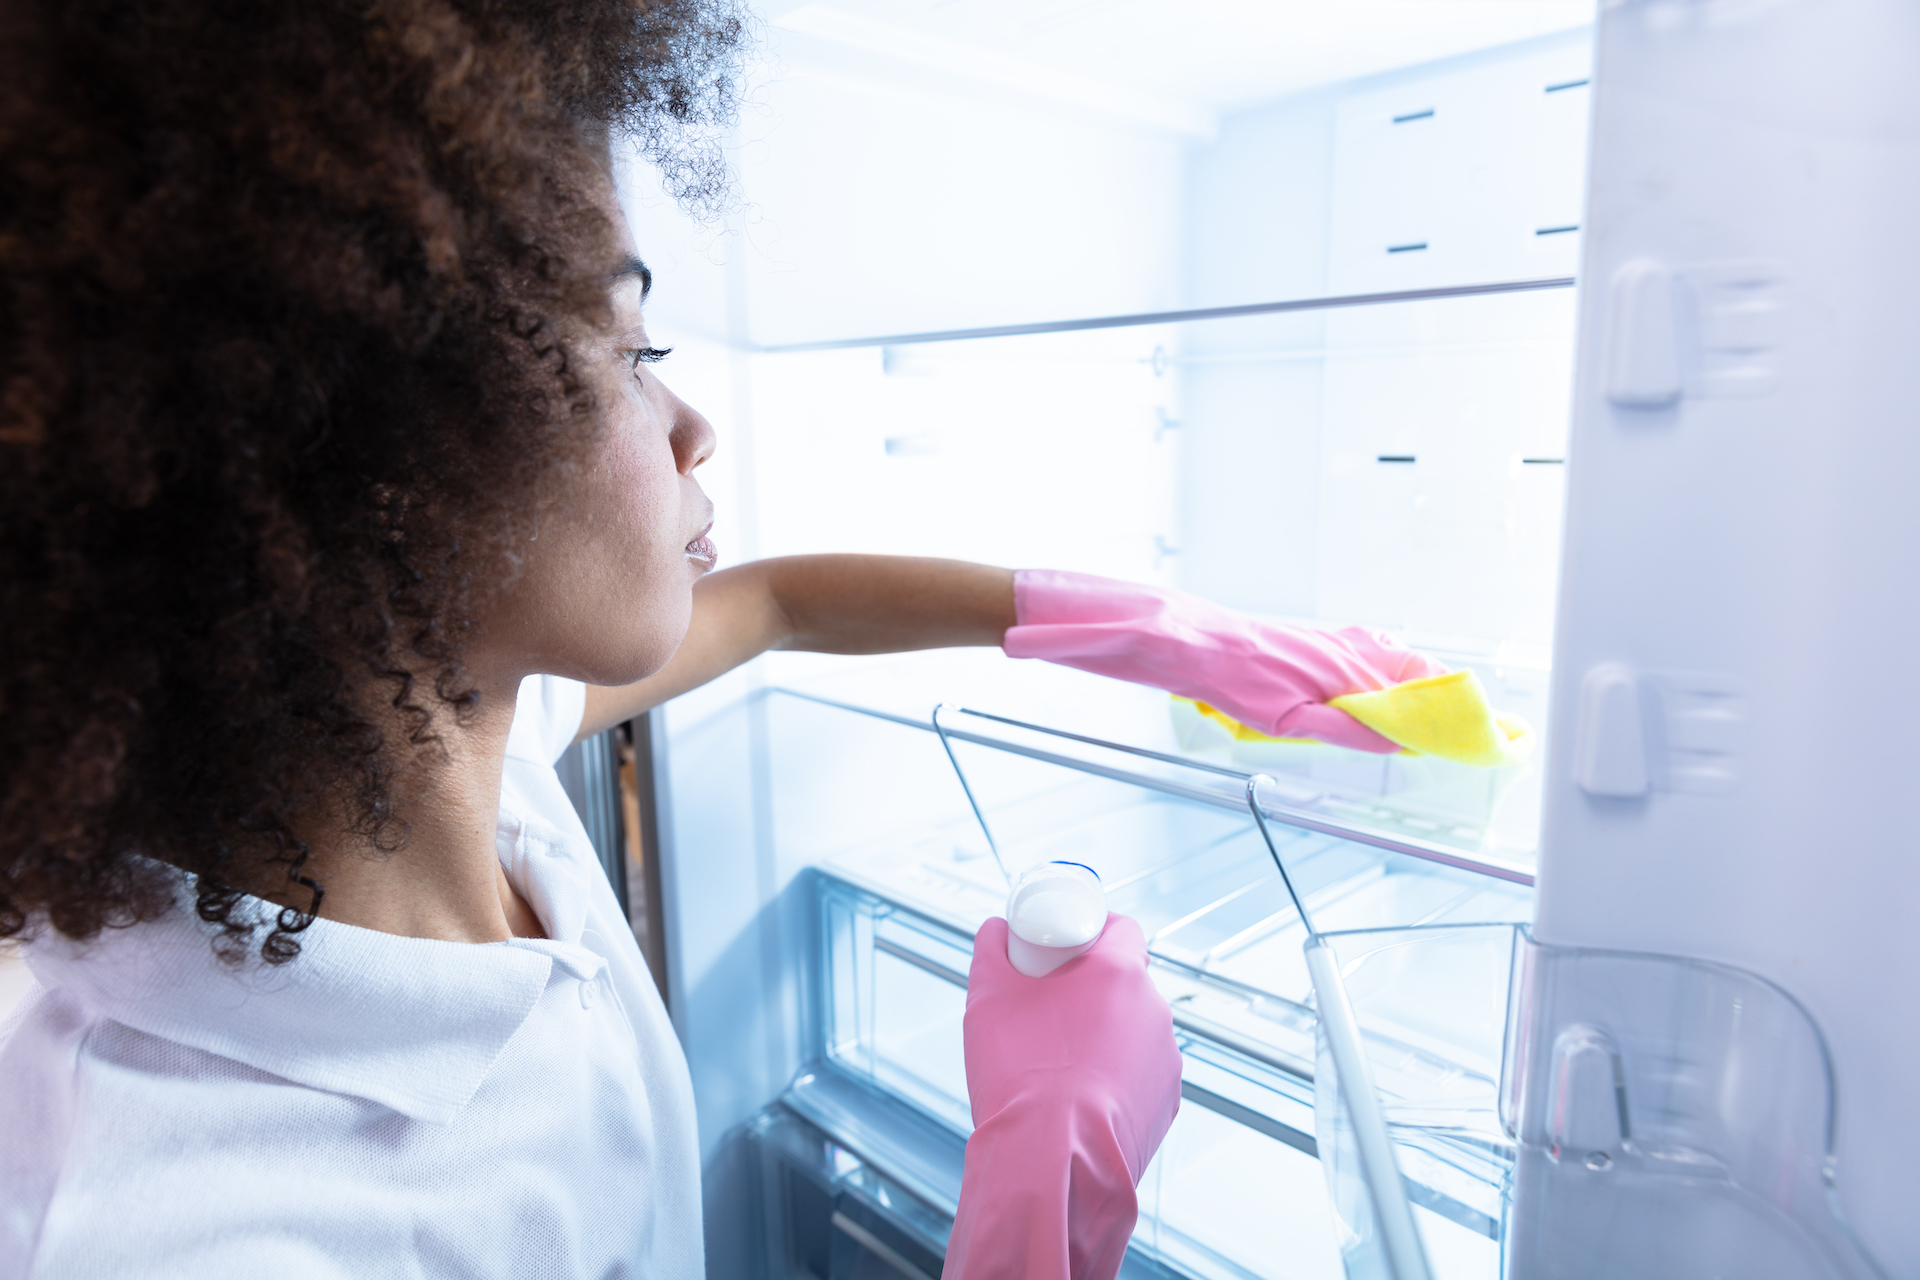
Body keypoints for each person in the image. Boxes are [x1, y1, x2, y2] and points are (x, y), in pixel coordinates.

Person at [0, 3, 1446, 1277]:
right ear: (377, 455)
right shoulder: (209, 1234)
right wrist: (1036, 1207)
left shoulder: (432, 757)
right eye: (633, 352)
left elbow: (772, 603)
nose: (694, 424)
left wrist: (1162, 632)